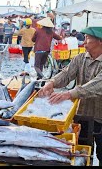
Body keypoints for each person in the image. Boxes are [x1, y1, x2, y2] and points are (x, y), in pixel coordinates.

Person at [38, 27, 102, 166]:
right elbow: (66, 74)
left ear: (100, 41)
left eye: (88, 38)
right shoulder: (80, 58)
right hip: (82, 115)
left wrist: (69, 94)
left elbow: (97, 85)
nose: (84, 42)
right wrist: (52, 82)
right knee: (83, 151)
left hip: (100, 116)